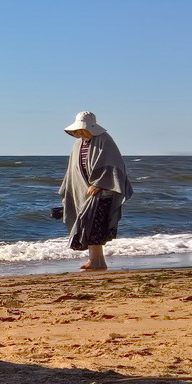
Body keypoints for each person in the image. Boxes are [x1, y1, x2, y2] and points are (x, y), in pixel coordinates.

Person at [58, 110, 133, 270]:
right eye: (77, 130)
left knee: (94, 226)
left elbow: (114, 165)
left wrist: (100, 184)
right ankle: (97, 260)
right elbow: (72, 171)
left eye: (82, 129)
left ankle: (96, 261)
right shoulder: (77, 145)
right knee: (88, 225)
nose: (79, 132)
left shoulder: (104, 140)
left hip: (103, 193)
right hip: (84, 193)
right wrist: (67, 192)